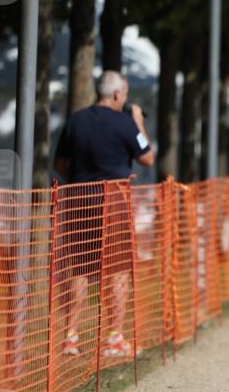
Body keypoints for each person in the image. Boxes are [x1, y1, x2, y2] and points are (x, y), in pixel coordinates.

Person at [54, 71, 155, 358]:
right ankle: (114, 337)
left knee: (80, 268)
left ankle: (70, 337)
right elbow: (147, 156)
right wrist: (137, 120)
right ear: (116, 94)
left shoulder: (76, 119)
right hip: (114, 201)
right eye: (124, 94)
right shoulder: (125, 122)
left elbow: (60, 164)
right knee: (118, 269)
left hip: (79, 200)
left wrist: (83, 178)